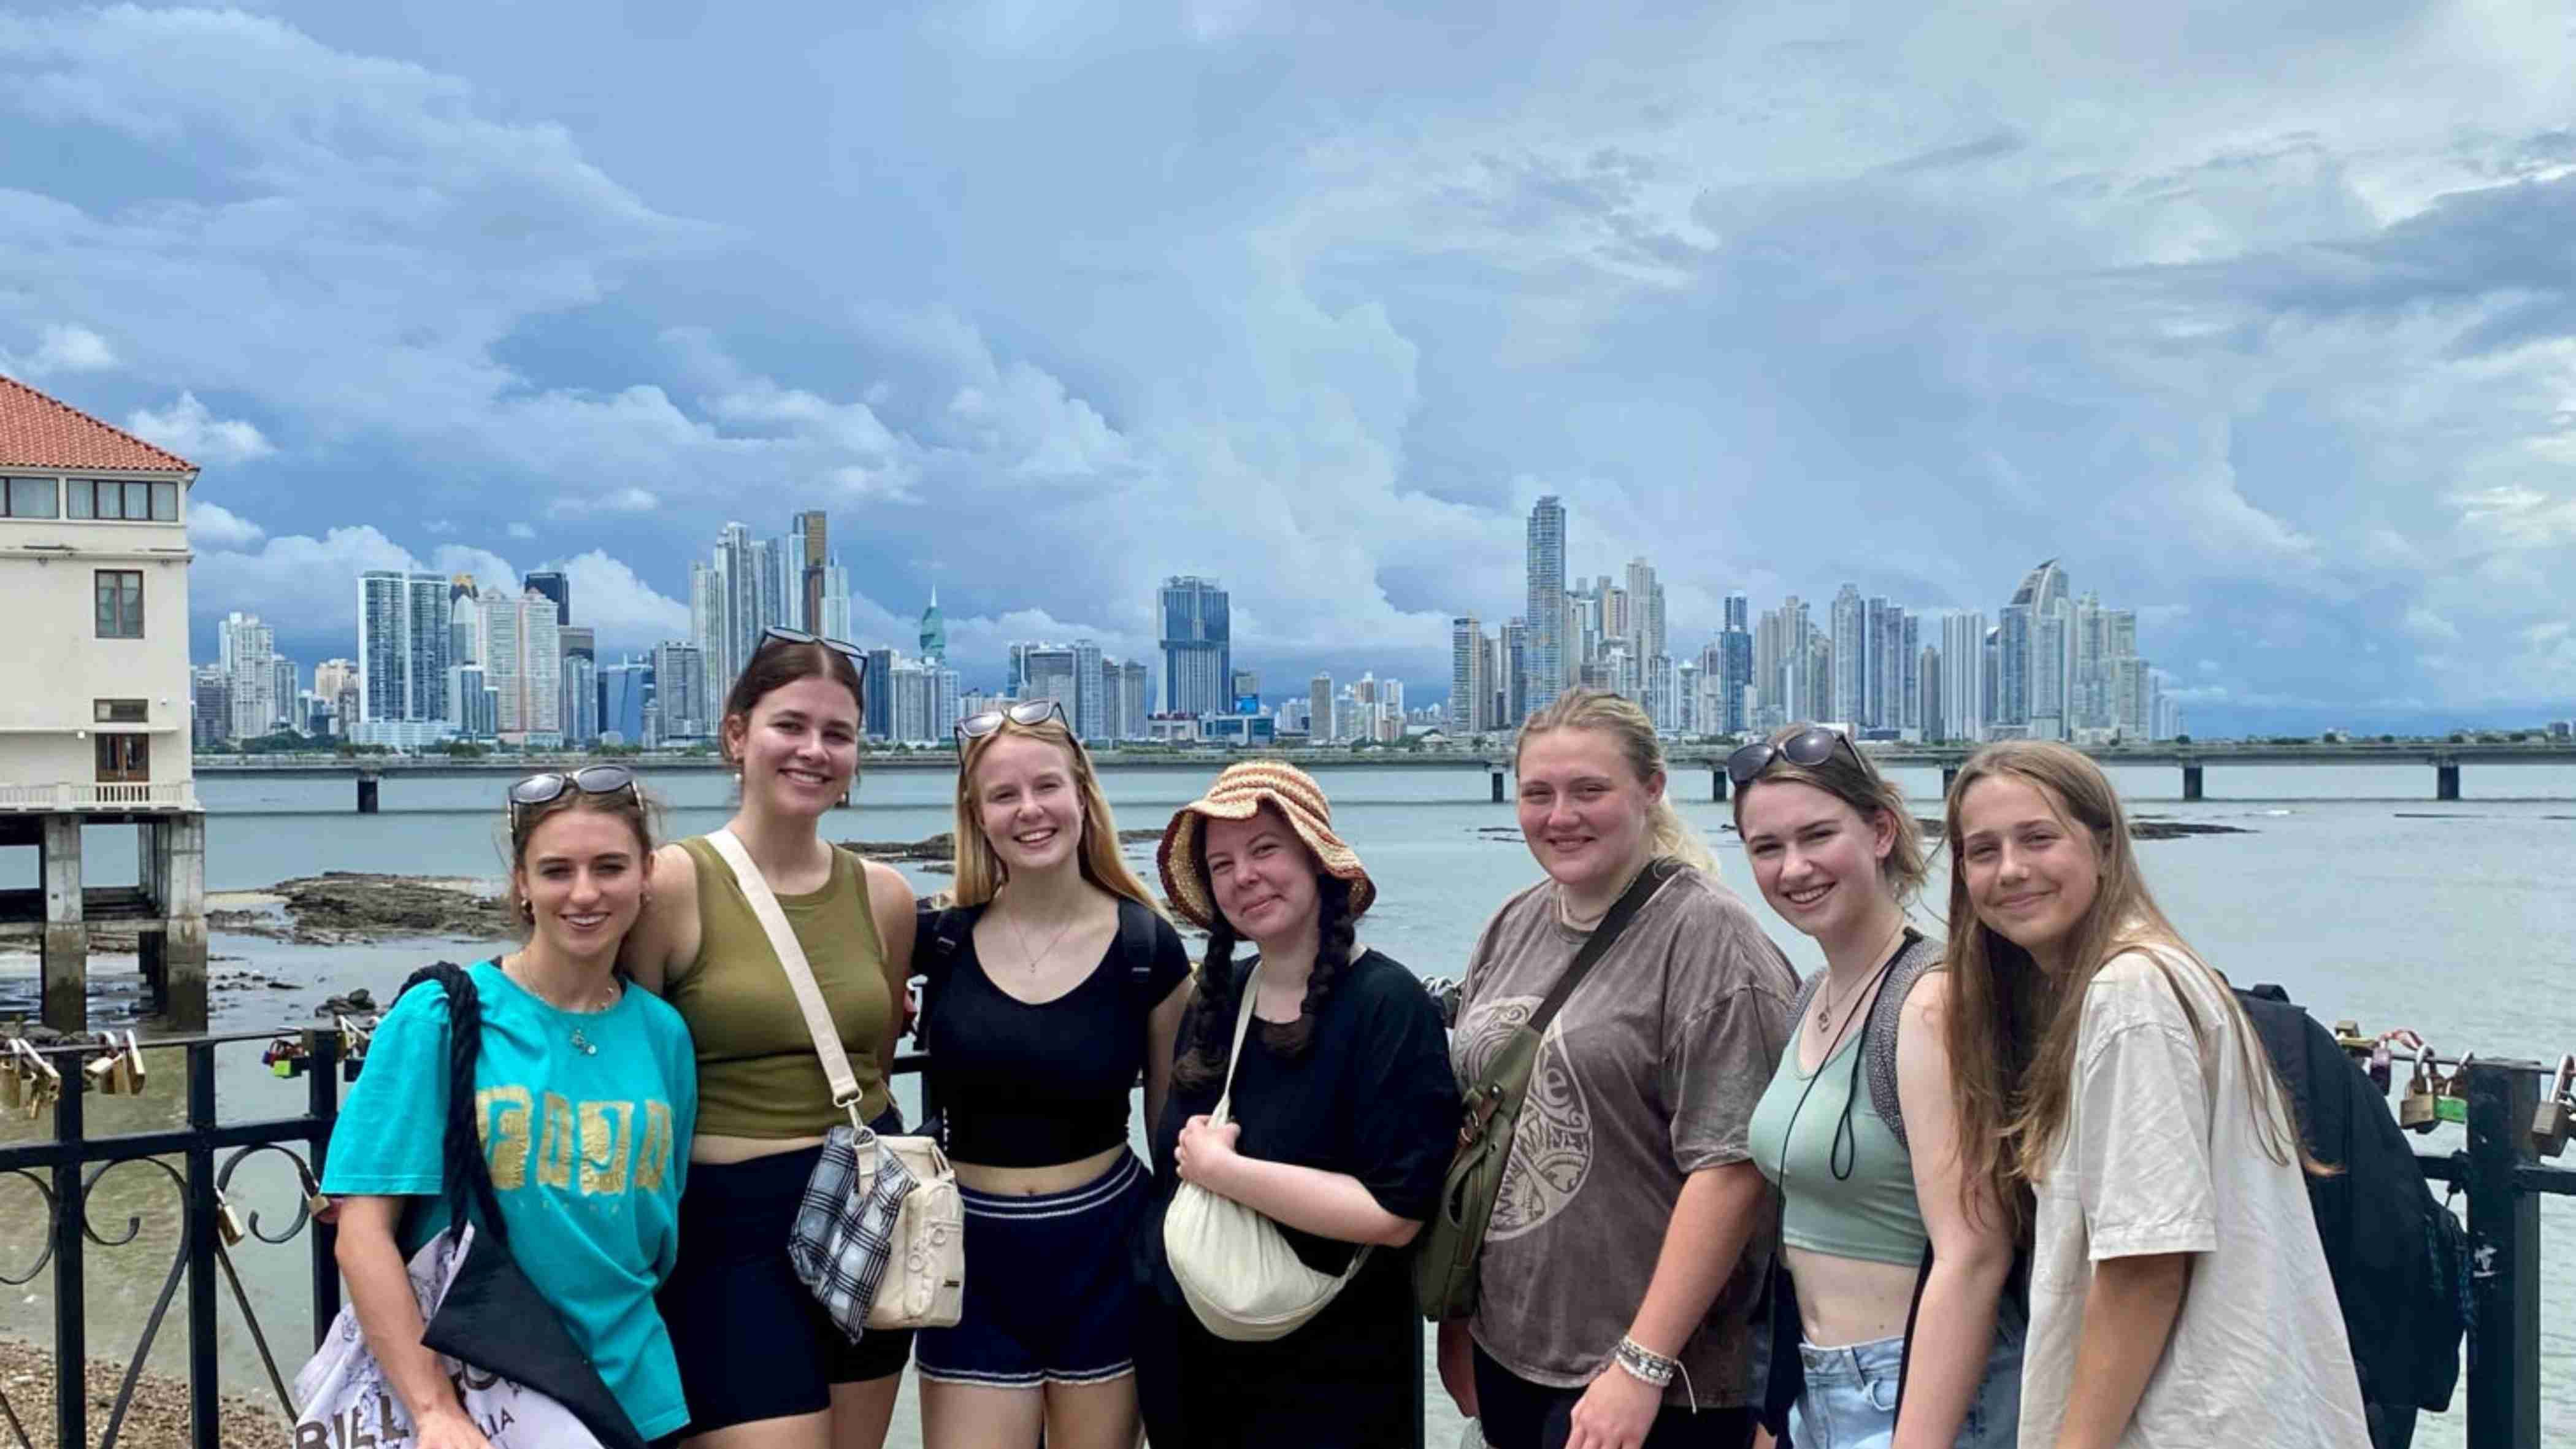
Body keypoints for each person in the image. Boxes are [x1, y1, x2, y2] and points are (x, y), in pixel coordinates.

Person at [1944, 740, 2370, 1448]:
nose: (2011, 869)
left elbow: (2144, 1265)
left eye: (2039, 838)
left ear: (2105, 848)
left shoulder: (2128, 995)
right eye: (1982, 850)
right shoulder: (2153, 975)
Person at [1444, 690, 1798, 1449]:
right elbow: (1480, 1127)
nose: (1560, 816)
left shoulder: (1708, 938)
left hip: (1658, 1378)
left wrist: (1641, 1364)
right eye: (1538, 794)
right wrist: (1459, 1317)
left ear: (1651, 789)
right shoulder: (1514, 922)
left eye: (1589, 790)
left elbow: (1732, 1169)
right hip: (1511, 1347)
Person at [326, 764, 697, 1448]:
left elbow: (658, 1227)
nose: (583, 893)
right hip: (484, 1399)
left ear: (646, 875)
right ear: (522, 883)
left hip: (636, 1397)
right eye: (557, 871)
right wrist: (434, 1409)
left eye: (609, 867)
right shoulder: (440, 1016)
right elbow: (362, 1233)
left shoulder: (663, 1033)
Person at [621, 630, 919, 1449]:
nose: (814, 750)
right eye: (790, 725)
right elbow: (631, 1066)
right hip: (726, 1231)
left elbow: (873, 1063)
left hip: (861, 1210)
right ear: (736, 734)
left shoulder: (885, 896)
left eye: (838, 733)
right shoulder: (671, 884)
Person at [1135, 761, 1459, 1448]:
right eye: (1222, 865)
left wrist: (1226, 1172)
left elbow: (1396, 1213)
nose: (1244, 877)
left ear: (1317, 859)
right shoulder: (1219, 997)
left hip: (1335, 1380)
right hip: (1193, 1363)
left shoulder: (1388, 1005)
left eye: (1265, 850)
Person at [908, 698, 1191, 1449]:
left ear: (1082, 796)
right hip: (967, 1257)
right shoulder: (938, 939)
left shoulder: (1146, 947)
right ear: (977, 815)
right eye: (1003, 794)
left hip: (1107, 1250)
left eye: (1047, 786)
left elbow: (1171, 1137)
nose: (1029, 810)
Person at [1732, 724, 2020, 1448]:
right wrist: (1780, 1409)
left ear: (1882, 831)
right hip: (1817, 1388)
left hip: (1913, 1392)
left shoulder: (1928, 1001)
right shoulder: (1812, 996)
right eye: (1767, 848)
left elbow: (1975, 1252)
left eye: (1818, 836)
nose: (1794, 868)